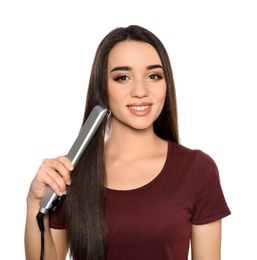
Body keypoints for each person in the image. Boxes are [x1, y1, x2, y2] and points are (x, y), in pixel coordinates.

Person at [24, 25, 231, 260]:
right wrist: (34, 204)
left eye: (153, 76)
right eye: (123, 77)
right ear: (102, 88)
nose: (141, 91)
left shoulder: (196, 169)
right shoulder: (70, 174)